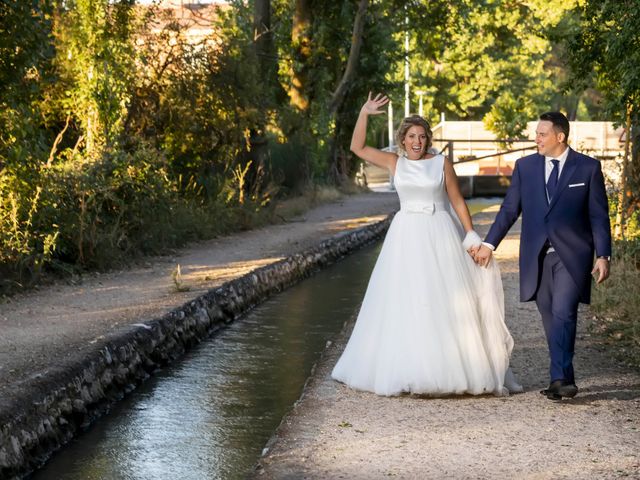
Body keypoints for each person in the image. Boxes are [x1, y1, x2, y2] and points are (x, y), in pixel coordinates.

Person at [331, 93, 521, 396]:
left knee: (443, 298)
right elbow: (357, 147)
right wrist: (365, 112)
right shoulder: (395, 162)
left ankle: (451, 369)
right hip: (405, 236)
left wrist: (471, 236)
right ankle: (408, 368)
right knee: (405, 300)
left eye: (421, 136)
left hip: (439, 232)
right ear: (403, 140)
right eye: (411, 137)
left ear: (427, 139)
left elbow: (458, 202)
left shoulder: (441, 164)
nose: (417, 141)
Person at [474, 111, 612, 400]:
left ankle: (559, 379)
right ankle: (566, 377)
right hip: (536, 257)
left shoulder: (587, 168)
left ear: (559, 137)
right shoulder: (525, 167)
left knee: (564, 311)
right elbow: (509, 210)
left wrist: (603, 255)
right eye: (536, 133)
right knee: (550, 316)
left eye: (542, 134)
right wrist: (489, 244)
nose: (536, 138)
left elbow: (598, 215)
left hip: (573, 255)